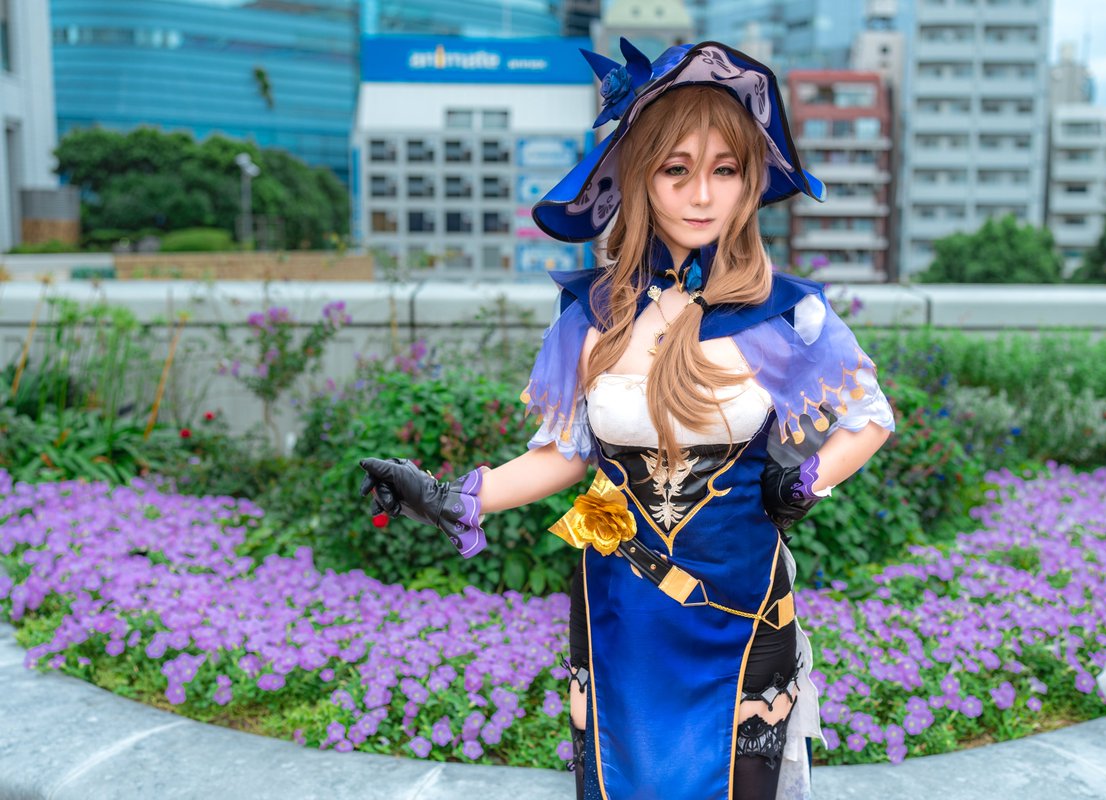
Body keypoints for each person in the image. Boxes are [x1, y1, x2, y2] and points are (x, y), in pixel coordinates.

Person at [358, 39, 896, 800]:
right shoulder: (593, 316)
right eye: (677, 169)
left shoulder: (785, 313)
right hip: (617, 594)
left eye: (725, 170)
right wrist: (451, 497)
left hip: (741, 599)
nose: (702, 195)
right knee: (618, 777)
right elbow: (566, 455)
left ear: (749, 182)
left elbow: (870, 418)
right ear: (640, 176)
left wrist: (806, 481)